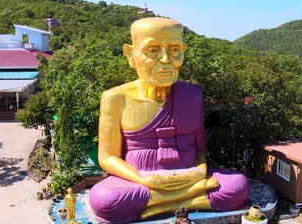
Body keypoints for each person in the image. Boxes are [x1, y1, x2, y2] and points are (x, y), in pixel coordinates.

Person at [89, 17, 250, 223]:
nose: (166, 59)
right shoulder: (115, 98)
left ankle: (158, 204)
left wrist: (198, 173)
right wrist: (144, 180)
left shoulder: (192, 94)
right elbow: (108, 158)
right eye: (153, 50)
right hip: (141, 180)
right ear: (131, 54)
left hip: (189, 175)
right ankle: (191, 199)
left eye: (174, 49)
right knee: (105, 200)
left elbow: (199, 148)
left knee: (237, 186)